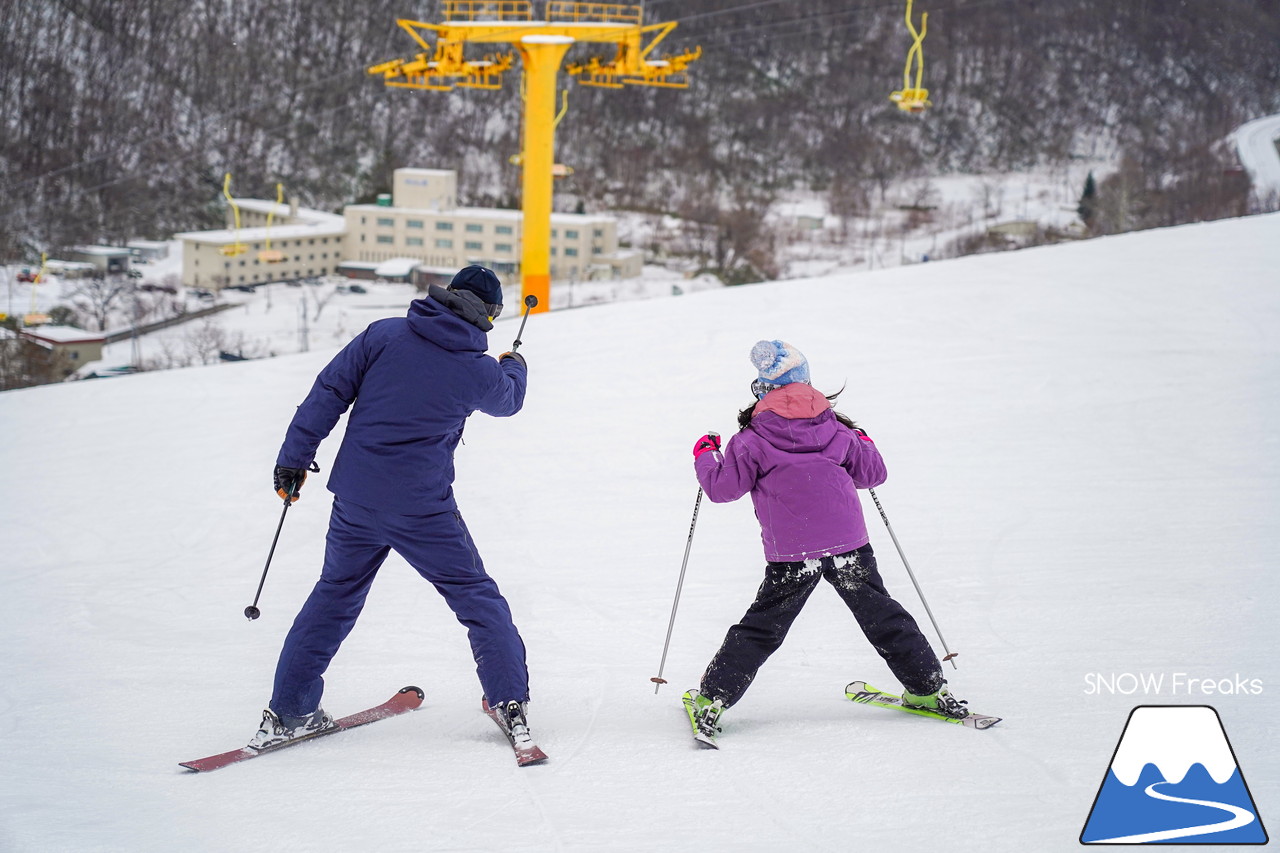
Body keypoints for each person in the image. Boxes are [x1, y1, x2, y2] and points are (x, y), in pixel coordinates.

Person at [251, 265, 537, 754]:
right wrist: (515, 363)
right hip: (422, 509)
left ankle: (289, 710)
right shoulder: (479, 369)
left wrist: (293, 460)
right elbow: (508, 402)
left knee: (335, 593)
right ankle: (508, 700)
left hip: (356, 499)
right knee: (475, 596)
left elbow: (329, 392)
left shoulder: (384, 334)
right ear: (489, 314)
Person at [684, 340, 967, 744]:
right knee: (884, 617)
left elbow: (722, 488)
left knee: (763, 627)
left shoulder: (751, 439)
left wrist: (706, 454)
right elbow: (872, 474)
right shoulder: (836, 428)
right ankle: (928, 689)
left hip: (793, 553)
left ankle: (712, 700)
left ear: (762, 389)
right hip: (849, 545)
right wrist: (864, 440)